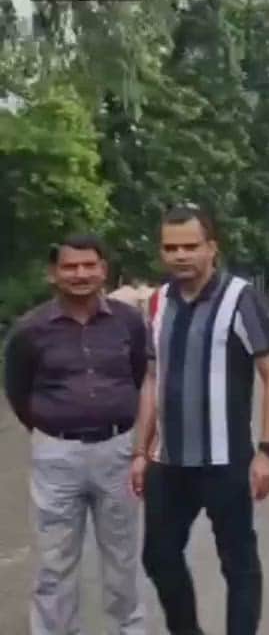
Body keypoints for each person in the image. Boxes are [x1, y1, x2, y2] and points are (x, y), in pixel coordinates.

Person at [131, 204, 269, 635]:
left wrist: (267, 452)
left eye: (190, 246)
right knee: (158, 557)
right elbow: (151, 377)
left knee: (237, 563)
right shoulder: (159, 301)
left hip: (226, 459)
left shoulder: (240, 298)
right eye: (171, 247)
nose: (181, 255)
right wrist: (140, 451)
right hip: (169, 461)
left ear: (211, 248)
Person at [4, 235, 148, 635]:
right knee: (55, 562)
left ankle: (130, 630)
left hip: (117, 451)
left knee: (121, 559)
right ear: (53, 274)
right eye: (70, 267)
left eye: (89, 265)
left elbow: (139, 377)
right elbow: (18, 391)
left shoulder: (128, 321)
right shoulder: (30, 330)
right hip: (56, 455)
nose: (80, 274)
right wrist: (52, 428)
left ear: (104, 270)